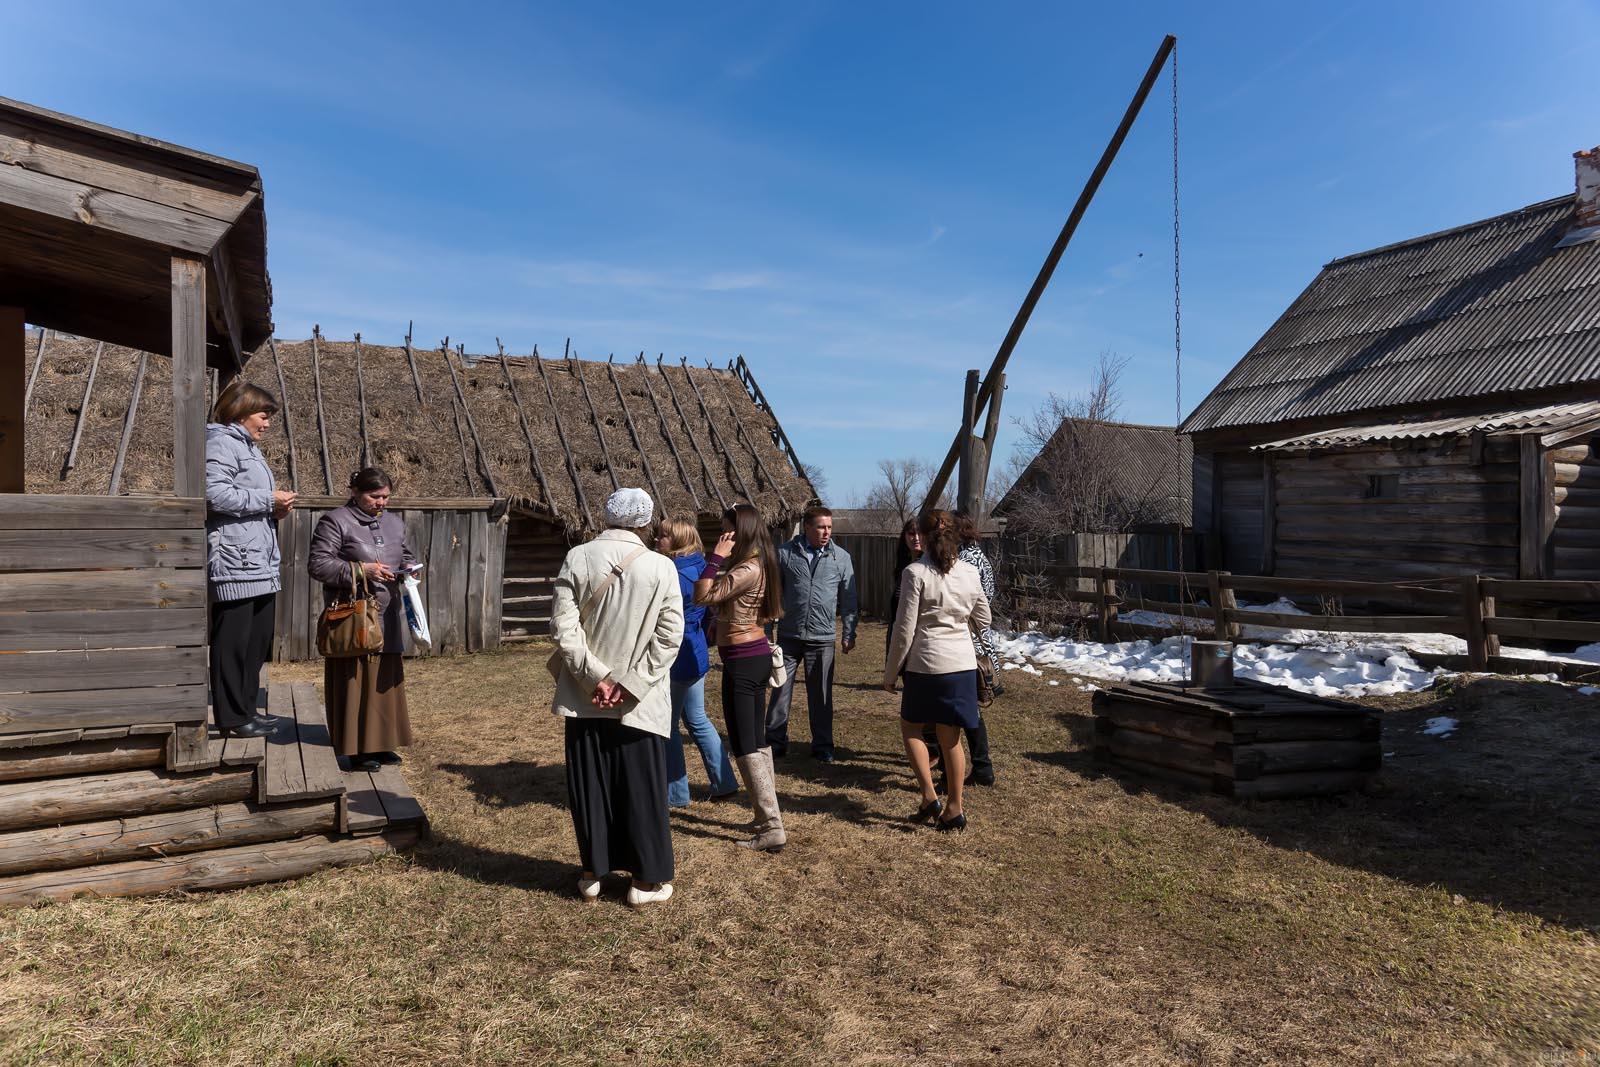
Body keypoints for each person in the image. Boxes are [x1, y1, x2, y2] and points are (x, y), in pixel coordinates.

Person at [551, 488, 684, 907]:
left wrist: (596, 678)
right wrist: (627, 683)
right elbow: (669, 636)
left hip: (585, 694)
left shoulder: (578, 556)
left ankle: (593, 873)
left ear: (605, 516)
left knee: (590, 784)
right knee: (641, 788)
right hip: (637, 701)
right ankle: (645, 882)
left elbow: (563, 628)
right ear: (645, 522)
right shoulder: (661, 566)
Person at [883, 509, 992, 833]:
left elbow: (904, 630)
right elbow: (984, 618)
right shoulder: (970, 573)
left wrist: (890, 674)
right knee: (951, 738)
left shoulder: (915, 573)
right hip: (960, 665)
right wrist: (959, 620)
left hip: (927, 664)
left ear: (926, 538)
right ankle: (954, 808)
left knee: (911, 728)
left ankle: (930, 796)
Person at [308, 468, 416, 773]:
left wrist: (409, 566)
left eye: (386, 497)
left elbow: (403, 553)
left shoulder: (394, 523)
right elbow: (318, 565)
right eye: (374, 496)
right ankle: (356, 749)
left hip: (388, 612)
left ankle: (381, 744)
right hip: (353, 615)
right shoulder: (336, 521)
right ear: (355, 491)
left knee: (384, 681)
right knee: (355, 681)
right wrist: (361, 570)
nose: (381, 502)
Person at [205, 382, 296, 740]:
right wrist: (267, 500)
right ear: (240, 411)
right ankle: (231, 717)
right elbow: (213, 494)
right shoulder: (221, 443)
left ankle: (246, 710)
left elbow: (244, 497)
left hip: (257, 559)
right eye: (263, 415)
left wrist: (275, 508)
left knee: (256, 641)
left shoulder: (247, 448)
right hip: (235, 560)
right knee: (233, 643)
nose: (268, 423)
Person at [695, 504, 787, 852]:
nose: (723, 536)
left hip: (745, 660)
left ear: (741, 531)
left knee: (746, 743)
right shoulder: (757, 562)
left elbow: (701, 595)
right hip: (750, 657)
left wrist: (716, 557)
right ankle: (769, 817)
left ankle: (771, 826)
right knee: (755, 740)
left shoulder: (748, 567)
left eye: (727, 531)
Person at [656, 517, 738, 807]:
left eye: (664, 535)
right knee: (696, 719)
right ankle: (724, 782)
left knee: (668, 725)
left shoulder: (674, 574)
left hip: (677, 654)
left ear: (677, 540)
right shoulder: (699, 567)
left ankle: (676, 793)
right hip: (696, 650)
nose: (657, 539)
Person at [766, 505, 858, 763]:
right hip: (789, 636)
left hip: (822, 638)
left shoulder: (841, 557)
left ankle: (823, 746)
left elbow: (849, 599)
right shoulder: (784, 553)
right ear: (806, 527)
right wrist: (767, 631)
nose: (826, 532)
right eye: (820, 527)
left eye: (829, 527)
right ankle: (774, 742)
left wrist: (849, 632)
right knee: (780, 690)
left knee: (821, 695)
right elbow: (771, 595)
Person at [921, 512, 1001, 786]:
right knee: (956, 710)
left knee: (967, 710)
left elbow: (982, 604)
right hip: (963, 639)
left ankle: (980, 765)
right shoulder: (960, 556)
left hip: (967, 642)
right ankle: (954, 763)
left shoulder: (968, 559)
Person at [884, 517, 922, 669]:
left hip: (918, 633)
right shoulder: (903, 565)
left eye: (920, 533)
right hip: (900, 627)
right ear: (904, 537)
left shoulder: (928, 565)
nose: (916, 538)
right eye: (912, 534)